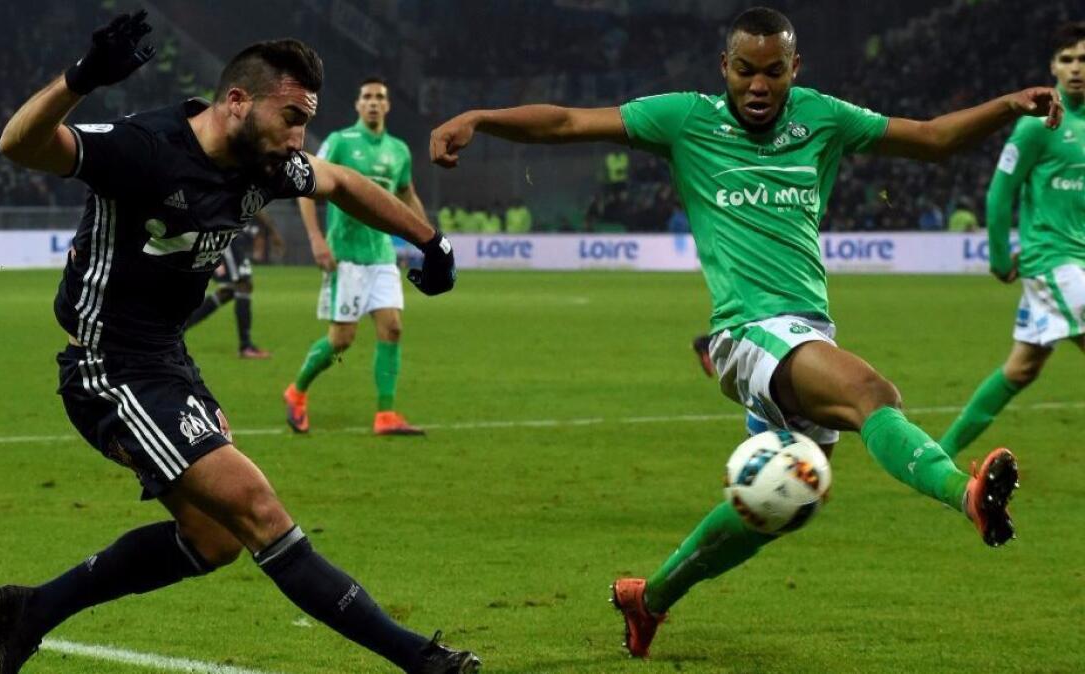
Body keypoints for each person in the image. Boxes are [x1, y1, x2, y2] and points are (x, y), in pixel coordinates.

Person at [428, 6, 1061, 659]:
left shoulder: (823, 118)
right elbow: (567, 121)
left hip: (807, 330)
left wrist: (1006, 104)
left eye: (774, 72)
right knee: (873, 392)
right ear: (724, 68)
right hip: (745, 332)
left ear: (795, 69)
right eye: (746, 71)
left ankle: (648, 599)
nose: (759, 85)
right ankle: (966, 495)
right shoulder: (685, 118)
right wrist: (480, 117)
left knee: (784, 499)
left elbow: (932, 139)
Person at [0, 13, 476, 674]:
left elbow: (344, 184)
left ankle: (32, 612)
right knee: (259, 510)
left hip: (166, 361)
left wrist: (430, 240)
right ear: (237, 101)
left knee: (212, 541)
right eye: (291, 117)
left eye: (305, 121)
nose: (299, 138)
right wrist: (81, 79)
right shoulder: (145, 148)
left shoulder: (265, 163)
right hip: (109, 368)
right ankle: (423, 661)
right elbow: (19, 144)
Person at [940, 22, 1085, 458]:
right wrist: (1000, 256)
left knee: (1022, 368)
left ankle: (935, 454)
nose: (1076, 68)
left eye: (1083, 58)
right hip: (1052, 260)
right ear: (1052, 68)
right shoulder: (1039, 126)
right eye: (1066, 59)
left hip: (1076, 261)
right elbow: (1001, 191)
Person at [284, 77, 428, 435]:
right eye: (367, 97)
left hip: (382, 255)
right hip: (345, 255)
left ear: (388, 105)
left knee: (392, 328)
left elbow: (408, 194)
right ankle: (296, 391)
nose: (374, 102)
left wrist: (428, 239)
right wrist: (317, 239)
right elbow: (305, 187)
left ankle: (385, 415)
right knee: (341, 339)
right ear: (358, 105)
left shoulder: (399, 151)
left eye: (381, 96)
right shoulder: (340, 142)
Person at [183, 209, 276, 359]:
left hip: (225, 235)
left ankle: (177, 331)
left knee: (228, 292)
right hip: (224, 237)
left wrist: (271, 231)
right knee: (243, 285)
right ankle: (245, 347)